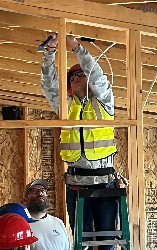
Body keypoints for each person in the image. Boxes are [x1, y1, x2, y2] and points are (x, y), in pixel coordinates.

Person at [41, 33, 118, 250]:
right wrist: (49, 53)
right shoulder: (67, 107)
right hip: (76, 183)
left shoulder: (104, 101)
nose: (74, 78)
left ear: (89, 79)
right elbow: (49, 86)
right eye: (71, 77)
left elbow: (98, 77)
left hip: (104, 183)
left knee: (107, 243)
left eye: (79, 75)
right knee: (80, 242)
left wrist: (77, 48)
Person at [23, 179, 71, 250]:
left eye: (43, 190)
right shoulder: (21, 225)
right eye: (34, 191)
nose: (40, 193)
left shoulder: (58, 223)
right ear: (25, 199)